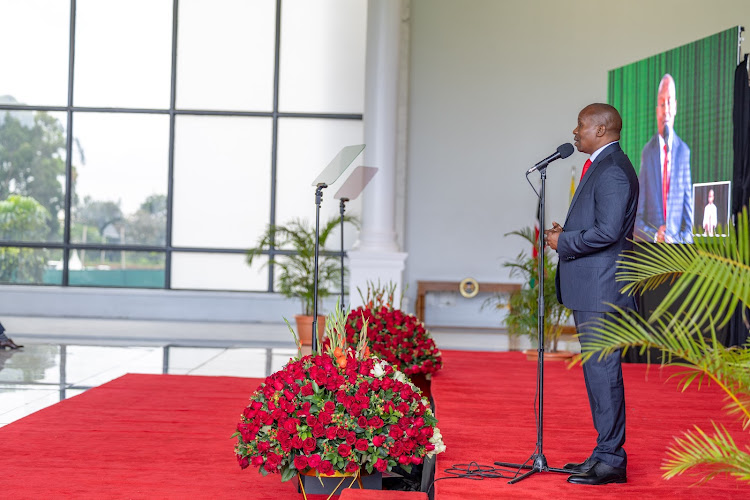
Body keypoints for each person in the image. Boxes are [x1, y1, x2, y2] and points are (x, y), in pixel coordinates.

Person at [545, 103, 638, 485]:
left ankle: (612, 460)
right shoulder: (602, 164)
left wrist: (561, 241)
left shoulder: (613, 170)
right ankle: (603, 453)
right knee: (597, 374)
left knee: (604, 374)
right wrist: (564, 235)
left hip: (603, 289)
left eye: (581, 125)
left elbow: (608, 232)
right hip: (592, 286)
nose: (574, 131)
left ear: (601, 130)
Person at [634, 74, 693, 243]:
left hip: (677, 259)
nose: (666, 109)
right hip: (652, 257)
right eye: (662, 103)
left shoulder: (684, 152)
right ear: (657, 110)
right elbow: (637, 221)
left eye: (669, 102)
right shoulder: (647, 152)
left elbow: (689, 224)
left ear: (675, 107)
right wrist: (654, 236)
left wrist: (677, 240)